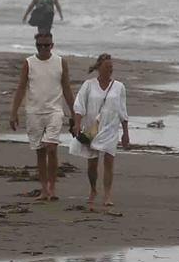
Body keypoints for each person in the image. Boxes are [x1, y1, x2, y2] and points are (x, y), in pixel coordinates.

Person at [9, 30, 74, 201]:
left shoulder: (61, 62)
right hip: (34, 112)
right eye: (40, 45)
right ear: (36, 46)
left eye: (47, 45)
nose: (43, 48)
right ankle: (44, 189)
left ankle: (52, 187)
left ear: (52, 45)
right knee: (40, 151)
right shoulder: (29, 63)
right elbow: (21, 88)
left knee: (51, 148)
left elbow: (67, 88)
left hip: (54, 111)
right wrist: (14, 112)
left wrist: (75, 113)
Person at [72, 53, 132, 211]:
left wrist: (125, 133)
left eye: (111, 67)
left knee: (109, 161)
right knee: (92, 164)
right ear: (99, 68)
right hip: (93, 128)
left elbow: (122, 110)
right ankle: (93, 189)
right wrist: (77, 124)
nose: (110, 70)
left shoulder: (119, 87)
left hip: (111, 128)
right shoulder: (89, 85)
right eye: (107, 67)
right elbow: (79, 105)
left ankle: (107, 195)